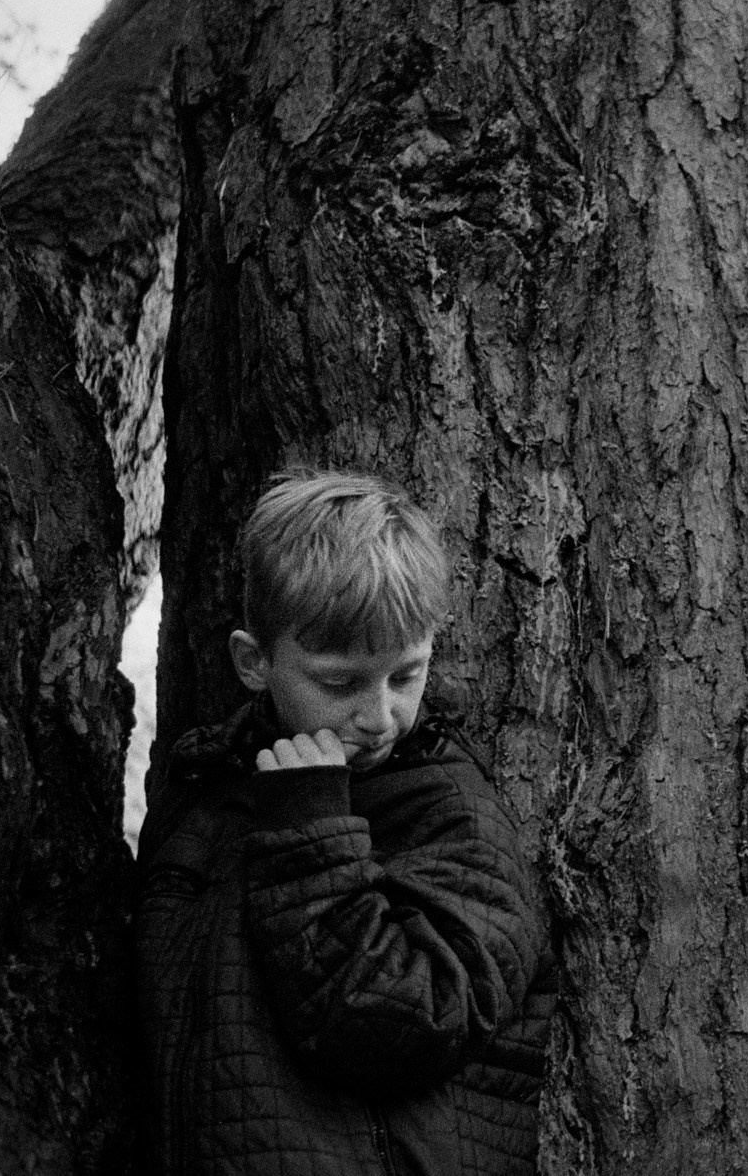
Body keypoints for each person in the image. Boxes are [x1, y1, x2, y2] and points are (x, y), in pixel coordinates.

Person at [136, 469, 555, 1175]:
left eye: (405, 675)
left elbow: (411, 1018)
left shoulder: (447, 810)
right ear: (254, 662)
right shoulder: (206, 789)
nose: (380, 716)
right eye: (340, 682)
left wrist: (312, 834)